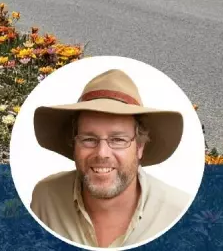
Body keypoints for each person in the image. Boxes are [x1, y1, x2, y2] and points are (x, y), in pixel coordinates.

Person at [30, 69, 192, 248]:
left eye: (118, 140)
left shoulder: (179, 212)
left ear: (139, 147)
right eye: (89, 139)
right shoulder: (45, 198)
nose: (102, 153)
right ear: (74, 144)